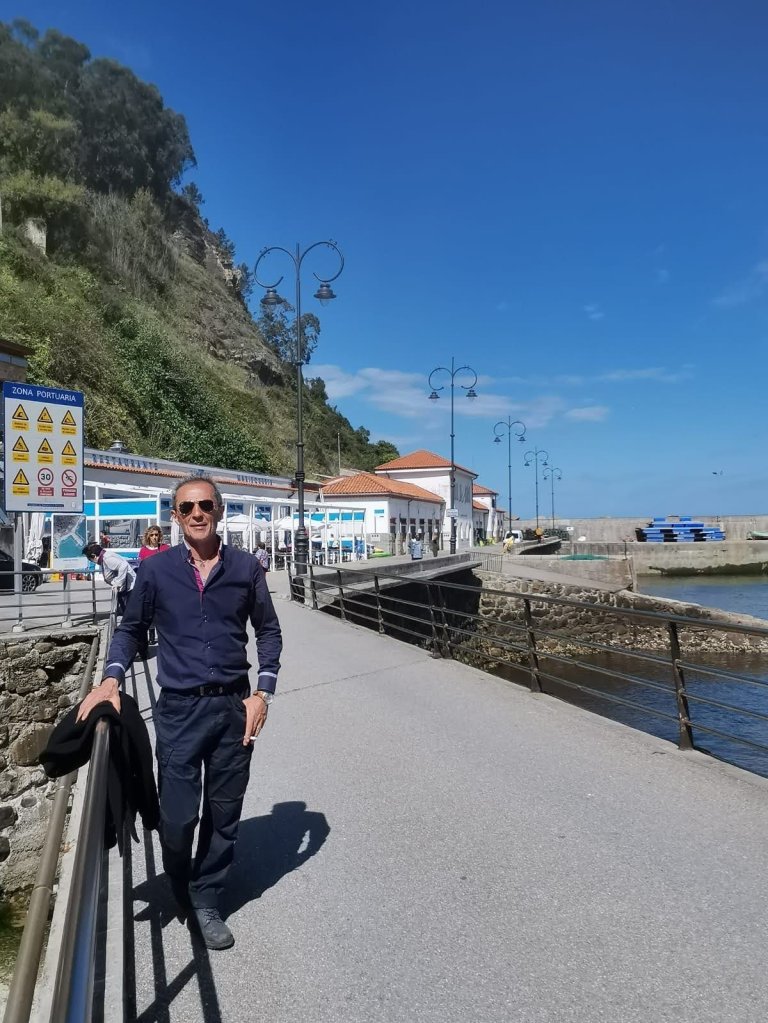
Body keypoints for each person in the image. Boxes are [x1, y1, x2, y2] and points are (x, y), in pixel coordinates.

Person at [76, 474, 283, 951]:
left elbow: (268, 631)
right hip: (179, 710)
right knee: (177, 817)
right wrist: (111, 679)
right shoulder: (156, 570)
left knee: (224, 811)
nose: (197, 514)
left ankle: (205, 898)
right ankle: (179, 878)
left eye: (205, 505)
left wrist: (263, 693)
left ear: (219, 510)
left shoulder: (246, 567)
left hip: (234, 706)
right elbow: (131, 629)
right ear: (174, 516)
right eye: (187, 507)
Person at [82, 540, 136, 615]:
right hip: (125, 589)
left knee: (129, 613)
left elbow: (123, 565)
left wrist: (118, 583)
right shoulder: (105, 557)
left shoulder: (107, 558)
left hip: (128, 589)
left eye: (90, 559)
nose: (92, 561)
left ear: (94, 556)